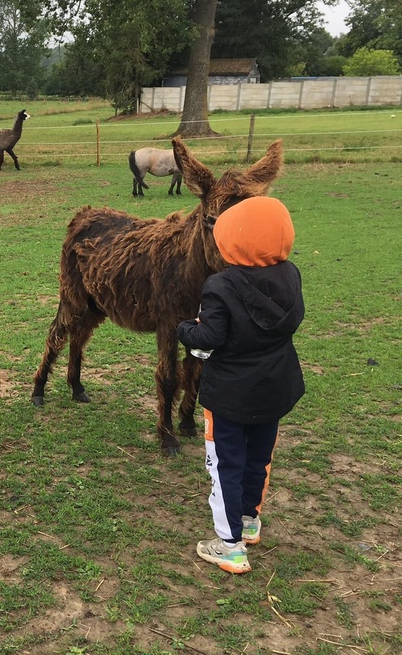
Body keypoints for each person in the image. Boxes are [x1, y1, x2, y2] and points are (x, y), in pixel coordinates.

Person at [177, 196, 305, 575]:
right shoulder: (291, 275)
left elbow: (209, 337)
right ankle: (249, 521)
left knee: (225, 465)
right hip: (274, 389)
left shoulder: (220, 285)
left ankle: (229, 545)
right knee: (258, 458)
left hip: (230, 396)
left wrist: (185, 328)